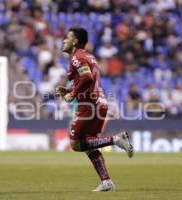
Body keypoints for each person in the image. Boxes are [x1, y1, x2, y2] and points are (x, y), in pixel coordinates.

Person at [55, 27, 134, 192]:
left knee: (76, 144)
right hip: (98, 103)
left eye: (67, 38)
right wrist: (70, 90)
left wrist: (72, 94)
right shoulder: (88, 56)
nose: (64, 40)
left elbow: (87, 78)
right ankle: (107, 181)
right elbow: (87, 79)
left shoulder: (77, 57)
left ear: (75, 41)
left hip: (89, 105)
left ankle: (117, 139)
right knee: (89, 144)